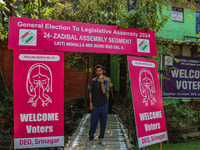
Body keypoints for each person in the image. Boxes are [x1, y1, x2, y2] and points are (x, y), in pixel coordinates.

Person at [87, 64, 109, 146]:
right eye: (97, 71)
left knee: (103, 123)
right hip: (95, 105)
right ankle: (91, 138)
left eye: (100, 70)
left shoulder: (106, 81)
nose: (98, 72)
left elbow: (104, 92)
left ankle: (101, 138)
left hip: (104, 105)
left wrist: (101, 82)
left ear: (102, 71)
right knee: (93, 122)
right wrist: (90, 103)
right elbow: (90, 92)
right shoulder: (93, 81)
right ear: (95, 72)